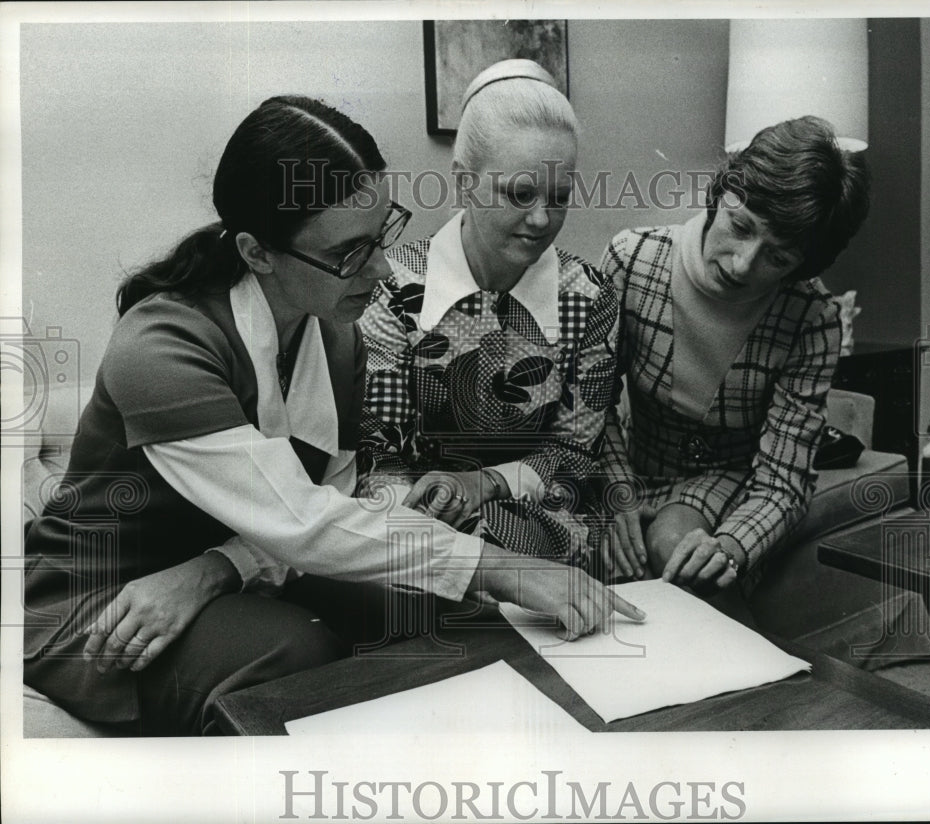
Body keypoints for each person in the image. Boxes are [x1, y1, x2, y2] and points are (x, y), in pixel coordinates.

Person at [22, 95, 642, 736]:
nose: (378, 269)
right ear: (258, 253)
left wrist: (216, 570)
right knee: (294, 646)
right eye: (349, 253)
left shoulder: (335, 331)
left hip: (238, 566)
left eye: (381, 236)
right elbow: (300, 518)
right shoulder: (160, 347)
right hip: (105, 596)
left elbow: (336, 493)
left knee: (428, 605)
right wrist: (501, 566)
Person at [355, 59, 620, 571]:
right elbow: (379, 452)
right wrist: (421, 521)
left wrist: (486, 485)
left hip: (544, 517)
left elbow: (574, 452)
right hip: (418, 524)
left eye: (559, 198)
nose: (542, 219)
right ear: (464, 182)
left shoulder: (589, 295)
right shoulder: (393, 288)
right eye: (519, 194)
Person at [600, 115, 870, 596]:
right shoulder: (631, 259)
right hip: (627, 467)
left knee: (676, 553)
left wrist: (727, 548)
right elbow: (591, 404)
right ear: (720, 193)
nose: (743, 264)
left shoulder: (811, 316)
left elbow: (783, 482)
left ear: (801, 266)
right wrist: (615, 491)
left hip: (724, 481)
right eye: (740, 225)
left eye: (778, 258)